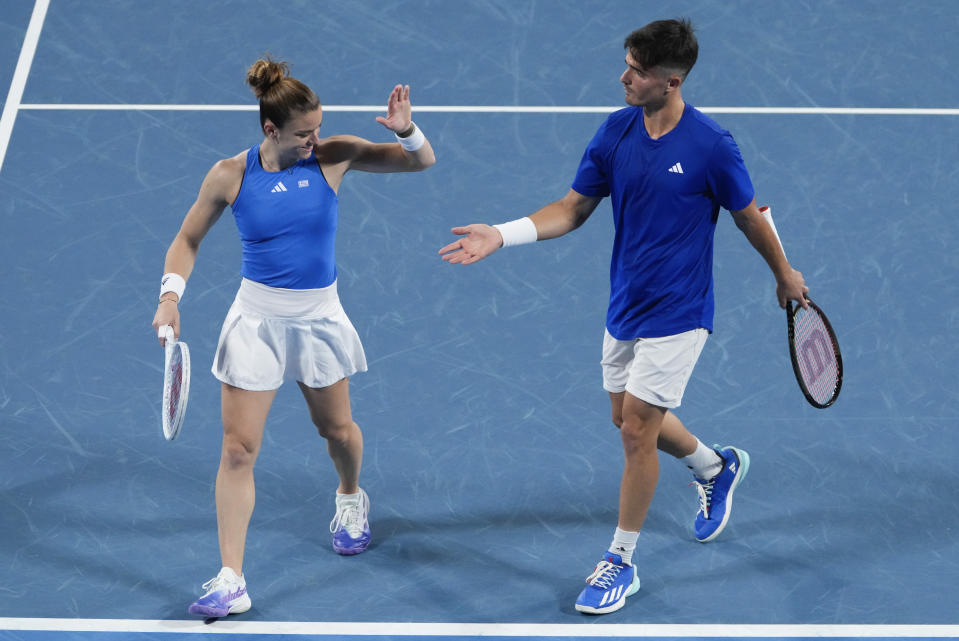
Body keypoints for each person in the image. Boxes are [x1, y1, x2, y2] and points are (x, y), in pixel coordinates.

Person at [439, 18, 807, 615]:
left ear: (672, 80)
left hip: (681, 310)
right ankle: (715, 466)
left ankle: (619, 561)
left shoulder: (712, 146)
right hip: (626, 304)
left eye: (636, 71)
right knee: (626, 417)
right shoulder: (615, 131)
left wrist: (784, 274)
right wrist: (502, 236)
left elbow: (748, 216)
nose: (624, 77)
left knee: (637, 429)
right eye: (627, 65)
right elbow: (572, 207)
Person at [152, 57, 435, 618]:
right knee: (238, 450)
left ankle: (350, 497)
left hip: (318, 319)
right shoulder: (230, 175)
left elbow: (419, 162)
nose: (315, 140)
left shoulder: (332, 157)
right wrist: (169, 296)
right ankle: (232, 577)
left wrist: (407, 129)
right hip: (256, 321)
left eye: (319, 128)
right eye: (304, 133)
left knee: (336, 429)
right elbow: (187, 238)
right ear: (270, 130)